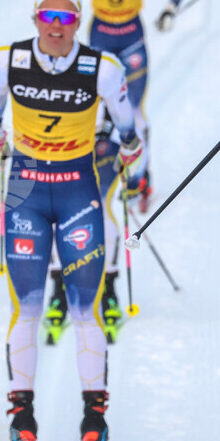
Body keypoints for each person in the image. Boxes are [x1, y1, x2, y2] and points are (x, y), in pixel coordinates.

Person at [0, 0, 145, 441]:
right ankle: (22, 422)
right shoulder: (4, 61)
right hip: (25, 192)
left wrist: (133, 170)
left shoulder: (104, 69)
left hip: (79, 189)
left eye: (67, 18)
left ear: (79, 21)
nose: (57, 27)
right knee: (26, 308)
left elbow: (129, 134)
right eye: (49, 17)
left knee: (85, 312)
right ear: (35, 18)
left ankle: (94, 423)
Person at [58, 0, 187, 212]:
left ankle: (140, 176)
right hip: (100, 37)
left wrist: (170, 8)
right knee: (96, 108)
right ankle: (98, 165)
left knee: (133, 111)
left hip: (131, 38)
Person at [44, 107, 140, 345]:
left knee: (102, 212)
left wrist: (133, 167)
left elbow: (125, 111)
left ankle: (108, 290)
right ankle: (60, 289)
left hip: (105, 145)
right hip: (67, 142)